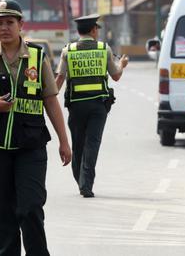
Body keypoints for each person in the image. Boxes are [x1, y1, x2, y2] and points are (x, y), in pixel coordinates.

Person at [0, 0, 72, 256]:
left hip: (30, 145)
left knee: (30, 207)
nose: (4, 28)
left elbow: (50, 100)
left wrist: (64, 142)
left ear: (21, 25)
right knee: (1, 212)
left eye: (9, 22)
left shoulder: (36, 56)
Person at [55, 14, 129, 198]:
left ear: (79, 31)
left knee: (78, 143)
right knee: (92, 144)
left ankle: (80, 179)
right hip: (98, 106)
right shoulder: (104, 49)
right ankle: (86, 184)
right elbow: (116, 75)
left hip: (76, 106)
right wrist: (122, 64)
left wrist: (47, 97)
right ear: (94, 30)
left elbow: (59, 80)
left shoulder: (68, 51)